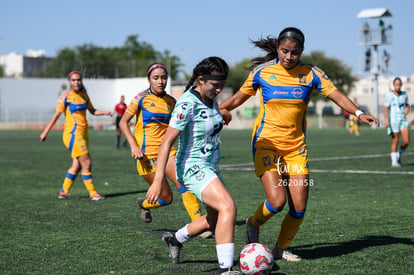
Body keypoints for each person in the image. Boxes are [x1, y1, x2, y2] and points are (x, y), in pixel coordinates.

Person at [219, 27, 379, 263]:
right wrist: (217, 112)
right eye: (284, 51)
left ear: (301, 51)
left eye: (294, 52)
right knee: (276, 202)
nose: (288, 57)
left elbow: (335, 94)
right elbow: (234, 101)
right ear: (277, 49)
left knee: (299, 208)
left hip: (296, 148)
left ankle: (280, 249)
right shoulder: (261, 72)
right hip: (267, 144)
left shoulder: (312, 74)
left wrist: (357, 112)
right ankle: (253, 224)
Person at [147, 57, 238, 274]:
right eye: (215, 85)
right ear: (201, 80)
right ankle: (225, 269)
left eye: (222, 86)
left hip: (210, 165)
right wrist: (158, 180)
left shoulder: (211, 96)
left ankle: (175, 239)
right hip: (192, 166)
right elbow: (167, 141)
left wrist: (224, 114)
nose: (219, 90)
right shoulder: (187, 103)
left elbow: (212, 116)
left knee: (214, 220)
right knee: (228, 206)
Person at [119, 63, 209, 236]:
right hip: (146, 156)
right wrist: (133, 145)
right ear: (149, 80)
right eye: (156, 78)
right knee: (165, 199)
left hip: (168, 153)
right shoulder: (140, 98)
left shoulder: (171, 102)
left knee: (183, 182)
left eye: (163, 78)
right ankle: (143, 204)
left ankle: (198, 223)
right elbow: (123, 122)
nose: (160, 81)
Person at [40, 71, 112, 201]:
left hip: (84, 134)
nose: (76, 82)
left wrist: (105, 112)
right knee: (87, 163)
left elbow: (92, 110)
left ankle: (64, 191)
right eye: (73, 80)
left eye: (78, 80)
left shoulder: (84, 95)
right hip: (72, 134)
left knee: (77, 165)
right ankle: (93, 193)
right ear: (69, 81)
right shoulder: (65, 96)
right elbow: (56, 115)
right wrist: (45, 132)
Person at [384, 77, 410, 167]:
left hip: (403, 120)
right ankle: (394, 161)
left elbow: (407, 105)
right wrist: (387, 120)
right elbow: (386, 108)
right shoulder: (389, 95)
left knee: (406, 141)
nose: (398, 87)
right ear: (394, 85)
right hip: (393, 120)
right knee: (395, 140)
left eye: (399, 85)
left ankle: (398, 155)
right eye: (396, 85)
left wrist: (407, 110)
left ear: (401, 85)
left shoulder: (404, 94)